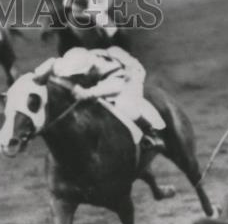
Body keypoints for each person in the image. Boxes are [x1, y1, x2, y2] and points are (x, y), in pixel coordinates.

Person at [28, 45, 166, 151]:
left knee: (126, 106)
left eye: (80, 75)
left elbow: (114, 87)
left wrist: (87, 93)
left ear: (91, 69)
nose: (76, 78)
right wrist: (39, 74)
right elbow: (49, 65)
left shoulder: (108, 70)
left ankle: (150, 134)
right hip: (104, 60)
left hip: (130, 74)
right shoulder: (67, 64)